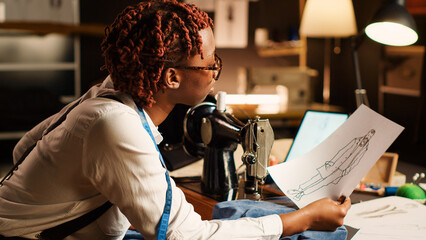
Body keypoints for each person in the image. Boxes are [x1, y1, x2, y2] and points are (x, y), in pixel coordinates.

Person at [0, 1, 351, 239]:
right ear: (171, 78)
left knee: (238, 213)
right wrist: (301, 219)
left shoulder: (104, 95)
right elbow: (187, 237)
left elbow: (24, 150)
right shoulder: (112, 124)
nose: (215, 70)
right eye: (210, 62)